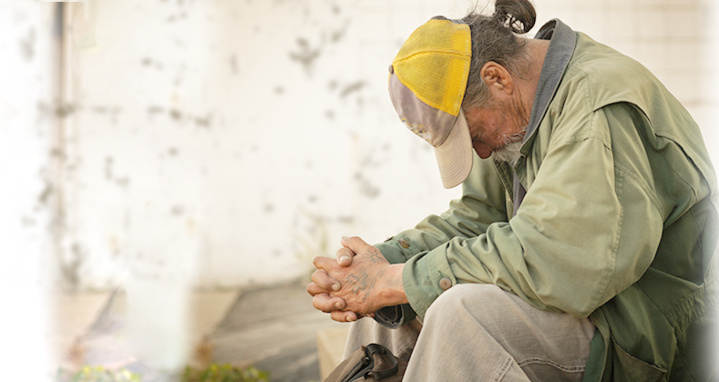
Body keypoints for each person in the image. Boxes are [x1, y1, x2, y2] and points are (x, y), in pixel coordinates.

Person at [307, 0, 718, 380]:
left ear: (496, 78)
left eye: (474, 133)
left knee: (461, 314)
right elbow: (479, 218)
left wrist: (398, 279)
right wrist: (383, 264)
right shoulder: (515, 107)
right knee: (381, 306)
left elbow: (561, 264)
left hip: (639, 331)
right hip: (580, 301)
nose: (480, 152)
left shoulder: (596, 108)